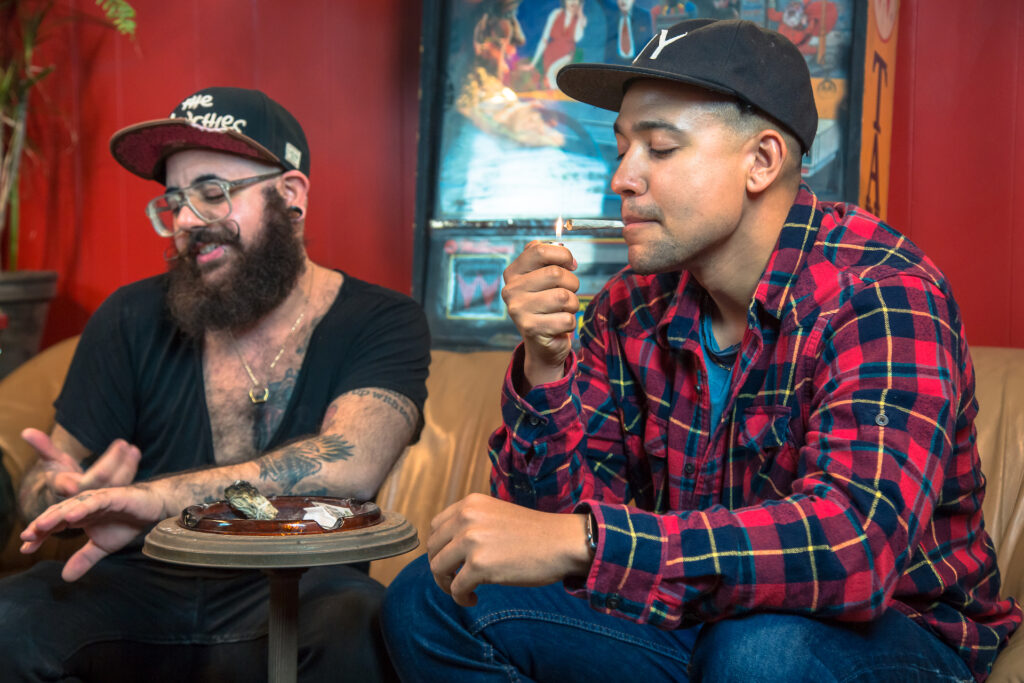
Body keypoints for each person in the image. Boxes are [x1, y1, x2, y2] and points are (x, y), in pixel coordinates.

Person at [382, 19, 1021, 682]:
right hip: (696, 626)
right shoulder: (631, 305)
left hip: (890, 640)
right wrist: (546, 364)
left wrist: (587, 541)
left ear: (763, 160)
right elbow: (544, 544)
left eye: (659, 148)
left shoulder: (879, 292)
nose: (622, 178)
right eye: (622, 147)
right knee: (433, 599)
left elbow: (851, 549)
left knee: (761, 653)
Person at [2, 86, 430, 682]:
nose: (184, 222)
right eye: (174, 201)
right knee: (10, 622)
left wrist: (155, 498)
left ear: (291, 195)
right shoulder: (129, 317)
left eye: (211, 193)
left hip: (298, 586)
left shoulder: (382, 319)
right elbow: (47, 475)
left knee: (357, 623)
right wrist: (61, 494)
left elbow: (351, 463)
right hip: (137, 585)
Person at [531, 0, 588, 89]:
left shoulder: (581, 19)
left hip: (566, 54)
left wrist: (580, 14)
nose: (572, 2)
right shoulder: (556, 14)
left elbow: (577, 38)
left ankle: (557, 95)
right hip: (550, 54)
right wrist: (533, 63)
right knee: (547, 80)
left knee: (552, 74)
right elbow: (544, 39)